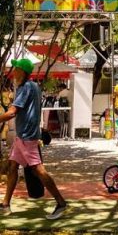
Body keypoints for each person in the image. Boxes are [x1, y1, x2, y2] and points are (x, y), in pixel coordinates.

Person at [0, 58, 67, 219]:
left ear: (22, 71)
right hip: (22, 136)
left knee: (39, 170)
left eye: (15, 69)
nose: (13, 72)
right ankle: (5, 205)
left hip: (27, 137)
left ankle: (61, 203)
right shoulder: (34, 86)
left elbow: (12, 112)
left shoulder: (25, 87)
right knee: (12, 166)